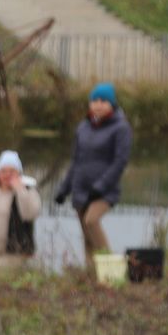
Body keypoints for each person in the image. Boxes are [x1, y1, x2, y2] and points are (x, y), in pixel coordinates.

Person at [52, 83, 132, 257]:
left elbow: (120, 162)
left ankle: (110, 269)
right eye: (95, 100)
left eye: (104, 101)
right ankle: (92, 277)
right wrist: (64, 189)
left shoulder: (121, 128)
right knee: (88, 239)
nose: (98, 104)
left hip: (104, 192)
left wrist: (101, 186)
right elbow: (76, 161)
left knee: (91, 221)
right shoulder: (83, 127)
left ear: (112, 104)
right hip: (81, 189)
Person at [0, 150, 42, 267]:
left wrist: (20, 189)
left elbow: (31, 213)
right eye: (3, 171)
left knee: (1, 280)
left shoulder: (29, 191)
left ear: (19, 173)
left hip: (14, 254)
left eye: (12, 171)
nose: (7, 175)